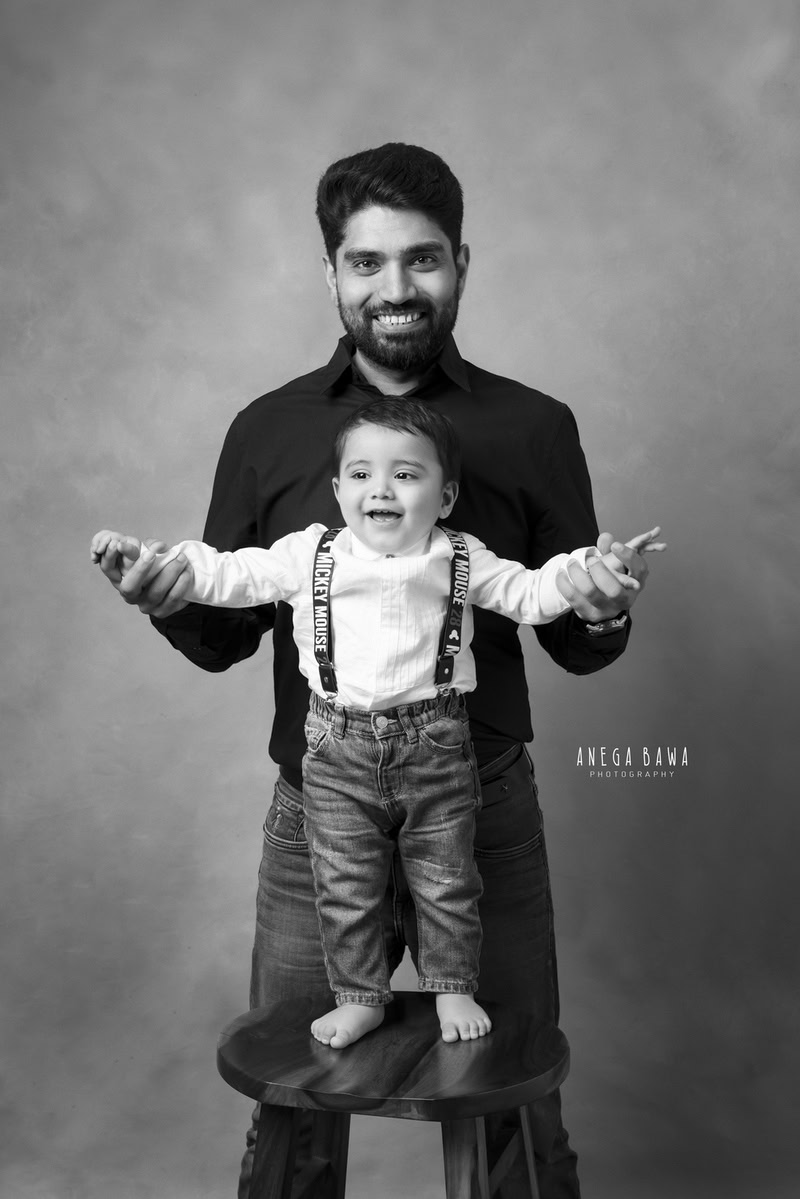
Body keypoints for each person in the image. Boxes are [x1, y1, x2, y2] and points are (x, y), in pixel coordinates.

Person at [94, 143, 658, 1198]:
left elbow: (572, 635)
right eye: (366, 262)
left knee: (511, 1102)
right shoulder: (267, 430)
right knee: (299, 1097)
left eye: (422, 259)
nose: (395, 288)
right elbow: (225, 631)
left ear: (460, 263)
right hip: (318, 802)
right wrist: (165, 595)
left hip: (480, 802)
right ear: (331, 274)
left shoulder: (534, 427)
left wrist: (602, 601)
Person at [91, 398, 663, 1051]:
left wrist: (596, 570)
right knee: (344, 884)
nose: (381, 489)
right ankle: (359, 996)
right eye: (361, 475)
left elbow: (533, 591)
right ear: (338, 491)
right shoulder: (306, 554)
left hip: (437, 745)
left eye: (406, 475)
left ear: (445, 497)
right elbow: (228, 572)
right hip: (336, 749)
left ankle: (453, 985)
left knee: (447, 879)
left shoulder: (461, 556)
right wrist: (154, 561)